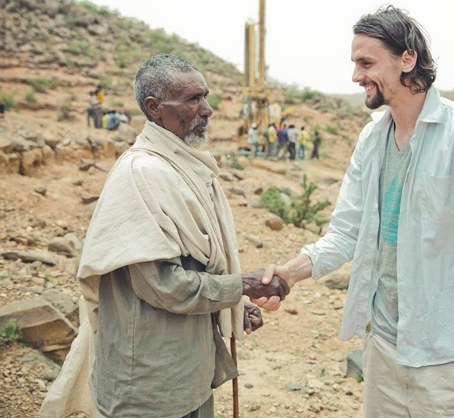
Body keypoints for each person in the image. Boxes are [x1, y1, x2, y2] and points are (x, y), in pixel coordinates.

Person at [257, 6, 454, 417]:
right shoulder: (371, 138)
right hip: (382, 348)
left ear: (407, 59)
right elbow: (346, 231)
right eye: (354, 63)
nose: (355, 76)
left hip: (449, 359)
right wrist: (290, 272)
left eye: (366, 63)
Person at [40, 54, 290, 418]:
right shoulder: (141, 173)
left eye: (204, 97)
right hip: (151, 385)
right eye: (192, 100)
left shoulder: (183, 164)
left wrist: (235, 302)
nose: (207, 110)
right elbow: (165, 286)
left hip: (192, 373)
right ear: (154, 108)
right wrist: (242, 286)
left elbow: (197, 268)